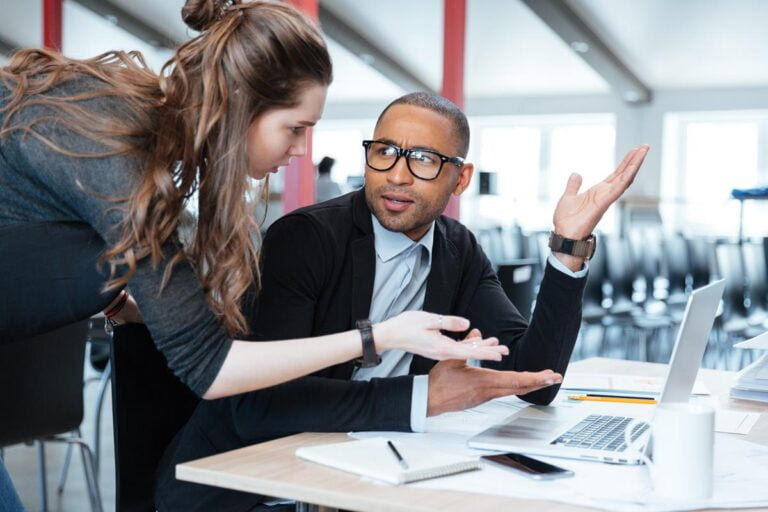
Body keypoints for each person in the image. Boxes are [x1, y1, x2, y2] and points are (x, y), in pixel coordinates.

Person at [0, 1, 506, 505]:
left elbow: (43, 235)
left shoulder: (141, 157)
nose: (303, 150)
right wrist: (380, 336)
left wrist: (116, 296)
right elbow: (212, 369)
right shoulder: (121, 164)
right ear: (241, 105)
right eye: (295, 128)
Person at [155, 92, 649, 510]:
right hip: (243, 487)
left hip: (367, 472)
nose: (397, 175)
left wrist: (567, 250)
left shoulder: (457, 249)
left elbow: (532, 381)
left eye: (425, 160)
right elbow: (260, 408)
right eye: (385, 151)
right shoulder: (304, 239)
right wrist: (422, 399)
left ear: (460, 178)